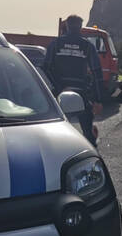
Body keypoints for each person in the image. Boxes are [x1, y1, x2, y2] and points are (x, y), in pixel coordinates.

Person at [44, 15, 104, 146]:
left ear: (66, 26)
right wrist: (98, 100)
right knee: (88, 133)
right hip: (81, 93)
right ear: (81, 27)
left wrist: (59, 86)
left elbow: (46, 68)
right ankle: (90, 159)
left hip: (59, 92)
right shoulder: (87, 46)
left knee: (55, 130)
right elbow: (97, 73)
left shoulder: (55, 44)